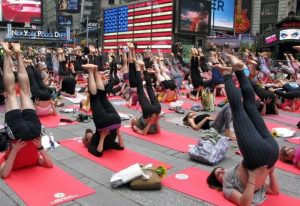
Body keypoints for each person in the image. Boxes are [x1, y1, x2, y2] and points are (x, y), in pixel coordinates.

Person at [207, 54, 279, 205]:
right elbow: (245, 203)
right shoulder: (227, 186)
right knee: (237, 109)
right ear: (218, 183)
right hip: (260, 156)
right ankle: (227, 74)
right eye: (218, 174)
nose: (221, 171)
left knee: (249, 107)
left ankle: (239, 70)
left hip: (267, 154)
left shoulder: (234, 171)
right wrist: (254, 178)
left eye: (219, 169)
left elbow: (272, 191)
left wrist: (269, 173)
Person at [0, 42, 53, 179]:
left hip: (26, 135)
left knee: (24, 92)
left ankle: (17, 53)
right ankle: (9, 53)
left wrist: (14, 151)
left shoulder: (8, 158)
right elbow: (49, 165)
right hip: (27, 135)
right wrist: (40, 148)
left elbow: (4, 173)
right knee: (12, 93)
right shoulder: (34, 159)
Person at [81, 64, 124, 157]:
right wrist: (115, 135)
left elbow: (120, 147)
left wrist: (103, 136)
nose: (89, 134)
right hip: (108, 123)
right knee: (94, 97)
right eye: (87, 136)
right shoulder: (91, 145)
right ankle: (90, 71)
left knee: (103, 96)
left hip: (115, 122)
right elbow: (99, 153)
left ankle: (95, 70)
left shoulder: (97, 134)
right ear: (87, 142)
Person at [128, 44, 161, 135]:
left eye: (133, 119)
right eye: (133, 120)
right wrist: (153, 121)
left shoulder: (139, 121)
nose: (134, 118)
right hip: (150, 111)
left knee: (149, 89)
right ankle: (140, 68)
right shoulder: (135, 126)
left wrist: (154, 120)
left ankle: (143, 68)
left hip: (156, 110)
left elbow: (158, 131)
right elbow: (144, 133)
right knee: (142, 89)